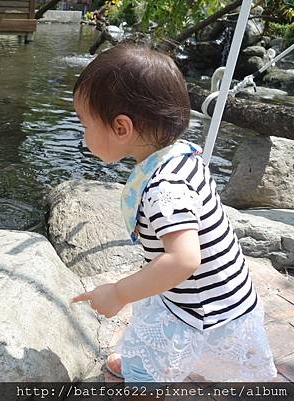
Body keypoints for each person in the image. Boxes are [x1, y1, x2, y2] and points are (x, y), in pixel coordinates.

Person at [69, 42, 277, 382]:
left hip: (200, 309)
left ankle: (146, 376)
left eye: (86, 124)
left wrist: (119, 292)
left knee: (152, 358)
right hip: (217, 293)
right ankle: (146, 361)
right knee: (150, 323)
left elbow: (182, 261)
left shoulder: (165, 188)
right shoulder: (181, 154)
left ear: (121, 128)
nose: (84, 135)